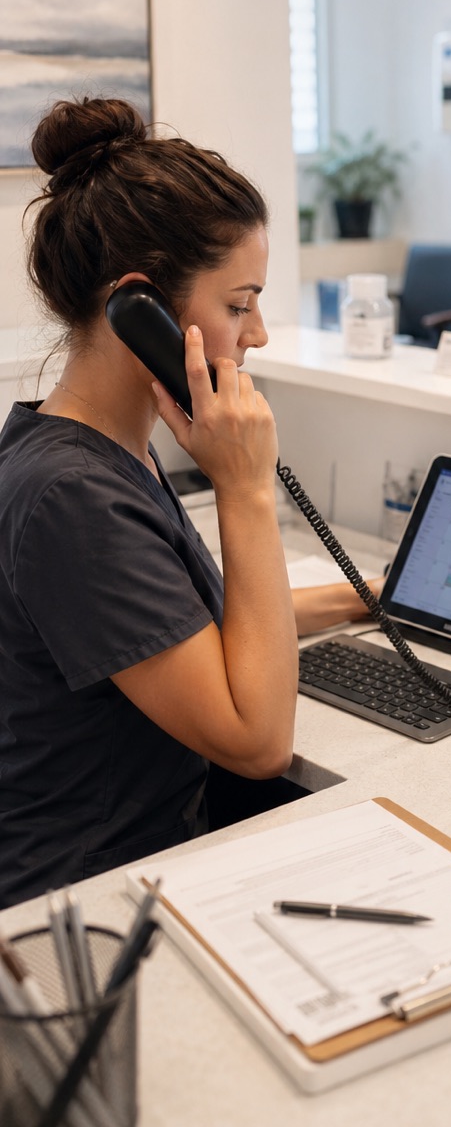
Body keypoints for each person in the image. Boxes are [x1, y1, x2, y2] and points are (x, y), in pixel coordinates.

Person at [0, 97, 377, 908]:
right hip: (79, 910)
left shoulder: (104, 446)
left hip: (138, 868)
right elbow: (258, 740)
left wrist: (365, 599)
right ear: (142, 310)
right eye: (239, 304)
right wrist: (243, 487)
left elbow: (196, 623)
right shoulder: (72, 497)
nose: (260, 333)